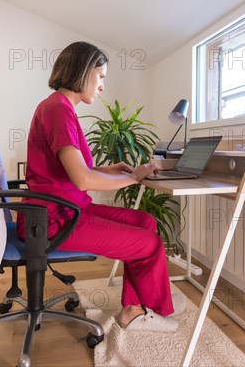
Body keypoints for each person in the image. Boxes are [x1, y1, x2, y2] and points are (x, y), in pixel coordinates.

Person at [17, 41, 182, 332]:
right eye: (101, 75)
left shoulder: (59, 106)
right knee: (150, 245)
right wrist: (135, 176)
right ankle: (144, 310)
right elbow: (82, 179)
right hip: (54, 221)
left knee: (145, 221)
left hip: (66, 210)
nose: (103, 86)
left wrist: (109, 169)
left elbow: (71, 171)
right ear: (83, 71)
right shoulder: (58, 109)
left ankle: (134, 306)